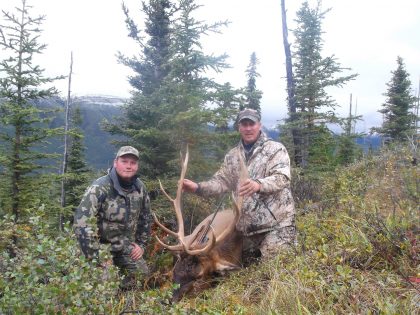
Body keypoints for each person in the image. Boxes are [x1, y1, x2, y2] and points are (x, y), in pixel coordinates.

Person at [182, 108, 296, 259]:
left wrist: (258, 184)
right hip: (245, 231)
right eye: (244, 124)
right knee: (228, 269)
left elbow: (282, 177)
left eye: (252, 124)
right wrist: (198, 187)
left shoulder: (275, 149)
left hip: (276, 226)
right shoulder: (232, 156)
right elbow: (221, 182)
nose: (248, 128)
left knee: (274, 268)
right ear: (239, 127)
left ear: (259, 125)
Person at [74, 145, 151, 289]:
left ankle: (126, 300)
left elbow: (145, 218)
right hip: (100, 248)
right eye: (124, 161)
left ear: (137, 166)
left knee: (142, 277)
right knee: (106, 286)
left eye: (133, 163)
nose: (129, 166)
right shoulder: (99, 187)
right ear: (115, 163)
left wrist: (141, 245)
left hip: (124, 247)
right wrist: (96, 257)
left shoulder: (140, 188)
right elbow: (81, 224)